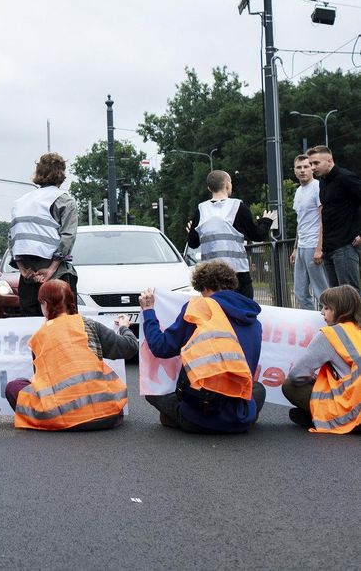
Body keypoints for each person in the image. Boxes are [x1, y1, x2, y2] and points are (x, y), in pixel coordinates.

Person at [141, 260, 266, 434]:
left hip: (198, 414)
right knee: (258, 388)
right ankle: (242, 419)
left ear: (205, 287)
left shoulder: (199, 308)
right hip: (240, 416)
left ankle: (178, 417)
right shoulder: (254, 320)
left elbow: (161, 347)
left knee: (153, 391)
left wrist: (148, 311)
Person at [6, 280, 136, 430]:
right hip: (108, 415)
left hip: (63, 418)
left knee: (13, 386)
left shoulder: (40, 336)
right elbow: (129, 347)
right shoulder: (89, 324)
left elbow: (42, 385)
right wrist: (124, 327)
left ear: (45, 304)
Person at [186, 169, 276, 301]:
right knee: (242, 312)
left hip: (210, 277)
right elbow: (257, 235)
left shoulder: (201, 210)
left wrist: (191, 233)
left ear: (209, 188)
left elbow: (193, 243)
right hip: (237, 274)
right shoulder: (238, 206)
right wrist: (266, 221)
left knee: (217, 313)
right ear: (227, 184)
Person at [282, 285, 361, 433]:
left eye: (326, 307)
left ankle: (329, 419)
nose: (321, 312)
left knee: (289, 386)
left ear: (340, 309)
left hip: (352, 407)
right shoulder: (357, 329)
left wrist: (315, 380)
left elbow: (296, 375)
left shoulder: (329, 335)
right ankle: (313, 417)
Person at [8, 152, 78, 317]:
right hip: (57, 277)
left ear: (38, 173)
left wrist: (23, 270)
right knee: (62, 326)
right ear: (62, 174)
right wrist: (51, 269)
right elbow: (68, 236)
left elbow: (13, 238)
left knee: (30, 331)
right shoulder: (65, 200)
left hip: (28, 278)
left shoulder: (21, 202)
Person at [307, 146, 361, 290]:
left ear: (330, 161)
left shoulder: (345, 177)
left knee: (350, 293)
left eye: (316, 163)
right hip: (329, 247)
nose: (312, 168)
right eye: (311, 164)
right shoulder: (323, 183)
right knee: (336, 296)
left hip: (346, 245)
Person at [290, 154, 328, 310]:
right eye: (299, 167)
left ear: (312, 168)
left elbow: (323, 219)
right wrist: (295, 247)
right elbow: (300, 222)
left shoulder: (318, 187)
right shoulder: (298, 191)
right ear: (294, 170)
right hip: (302, 247)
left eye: (306, 167)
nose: (302, 170)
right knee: (300, 292)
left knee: (323, 292)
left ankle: (332, 323)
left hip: (314, 245)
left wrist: (319, 248)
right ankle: (312, 325)